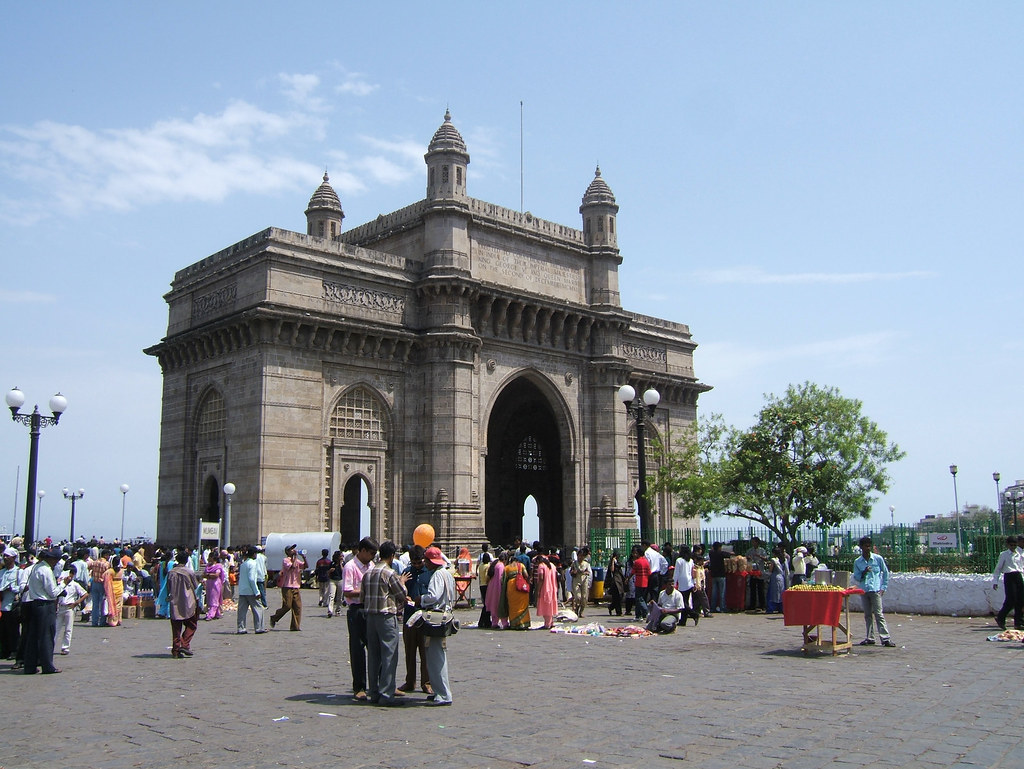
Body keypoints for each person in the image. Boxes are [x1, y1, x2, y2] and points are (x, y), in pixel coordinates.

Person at [361, 540, 410, 706]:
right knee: (389, 656)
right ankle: (386, 695)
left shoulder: (368, 573)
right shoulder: (389, 573)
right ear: (392, 556)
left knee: (373, 656)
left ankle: (374, 693)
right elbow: (402, 594)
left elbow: (362, 597)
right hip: (386, 618)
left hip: (370, 619)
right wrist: (402, 582)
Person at [342, 537, 377, 702]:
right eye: (371, 553)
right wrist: (366, 591)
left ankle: (380, 685)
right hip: (356, 610)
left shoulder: (372, 566)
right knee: (357, 649)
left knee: (376, 647)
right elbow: (347, 591)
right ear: (362, 551)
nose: (373, 557)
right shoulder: (350, 567)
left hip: (371, 609)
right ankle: (360, 687)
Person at [420, 546, 455, 705]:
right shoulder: (448, 574)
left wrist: (420, 599)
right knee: (438, 655)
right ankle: (439, 692)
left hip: (435, 618)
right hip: (445, 617)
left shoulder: (437, 576)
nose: (424, 563)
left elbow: (433, 596)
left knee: (435, 657)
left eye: (426, 560)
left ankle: (443, 694)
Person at [23, 547, 66, 674]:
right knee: (47, 636)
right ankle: (48, 665)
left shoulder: (36, 568)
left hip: (34, 603)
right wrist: (63, 584)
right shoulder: (46, 570)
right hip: (45, 605)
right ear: (53, 559)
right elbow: (52, 593)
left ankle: (29, 666)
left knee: (33, 636)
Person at [399, 545, 432, 695]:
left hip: (425, 617)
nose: (417, 565)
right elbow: (399, 593)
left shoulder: (430, 573)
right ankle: (410, 681)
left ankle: (426, 683)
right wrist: (402, 585)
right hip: (410, 617)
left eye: (420, 562)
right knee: (410, 651)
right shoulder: (407, 573)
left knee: (426, 653)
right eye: (414, 563)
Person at [853, 537, 895, 647]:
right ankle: (870, 637)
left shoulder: (877, 559)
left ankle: (885, 638)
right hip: (864, 590)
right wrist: (864, 572)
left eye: (869, 546)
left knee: (879, 614)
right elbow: (856, 577)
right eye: (865, 546)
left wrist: (883, 587)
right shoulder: (858, 562)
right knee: (867, 615)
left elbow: (885, 573)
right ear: (861, 547)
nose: (867, 548)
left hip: (875, 590)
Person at [167, 551, 200, 658]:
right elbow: (196, 586)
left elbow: (168, 588)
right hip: (187, 602)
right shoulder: (189, 572)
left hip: (174, 602)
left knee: (176, 628)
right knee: (192, 625)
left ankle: (176, 650)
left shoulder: (171, 572)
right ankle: (184, 644)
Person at [269, 544, 307, 631]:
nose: (293, 551)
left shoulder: (296, 560)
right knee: (287, 606)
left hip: (296, 586)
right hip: (287, 586)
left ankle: (295, 626)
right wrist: (294, 557)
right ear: (287, 552)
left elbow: (305, 566)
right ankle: (275, 617)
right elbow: (292, 566)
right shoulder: (286, 560)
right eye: (291, 550)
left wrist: (304, 557)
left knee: (297, 607)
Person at [991, 535, 1023, 630]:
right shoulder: (1004, 555)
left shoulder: (1019, 554)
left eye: (1015, 545)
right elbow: (998, 569)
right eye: (1011, 545)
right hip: (1009, 576)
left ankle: (1018, 621)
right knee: (1011, 599)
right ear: (1007, 545)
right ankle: (1001, 617)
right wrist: (995, 581)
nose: (1013, 547)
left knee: (1020, 600)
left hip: (1019, 576)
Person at [55, 567, 88, 655]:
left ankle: (65, 647)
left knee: (68, 629)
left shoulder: (75, 585)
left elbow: (85, 594)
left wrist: (76, 603)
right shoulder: (60, 584)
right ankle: (52, 646)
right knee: (56, 628)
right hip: (61, 607)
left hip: (70, 608)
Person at [236, 546, 267, 634]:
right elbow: (252, 579)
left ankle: (241, 628)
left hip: (243, 590)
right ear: (254, 554)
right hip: (251, 590)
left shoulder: (243, 564)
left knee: (242, 611)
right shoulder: (253, 563)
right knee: (258, 609)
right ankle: (259, 627)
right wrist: (256, 591)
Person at [0, 547, 23, 660]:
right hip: (2, 605)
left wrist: (12, 588)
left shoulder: (19, 572)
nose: (5, 558)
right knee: (3, 630)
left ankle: (15, 650)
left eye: (7, 556)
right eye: (4, 556)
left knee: (13, 630)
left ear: (13, 558)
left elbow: (22, 587)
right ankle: (5, 650)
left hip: (12, 605)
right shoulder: (2, 572)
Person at [500, 551, 531, 629]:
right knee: (522, 606)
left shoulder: (507, 568)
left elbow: (502, 580)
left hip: (511, 589)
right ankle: (524, 623)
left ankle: (514, 624)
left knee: (513, 606)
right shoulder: (521, 566)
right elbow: (526, 575)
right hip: (521, 588)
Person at [484, 549, 507, 629]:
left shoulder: (495, 564)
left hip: (492, 587)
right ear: (504, 560)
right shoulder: (501, 566)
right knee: (501, 605)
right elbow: (501, 578)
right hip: (498, 588)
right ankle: (504, 623)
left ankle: (494, 622)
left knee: (494, 605)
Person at [535, 551, 558, 629]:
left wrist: (538, 589)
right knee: (550, 604)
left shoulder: (541, 566)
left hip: (545, 588)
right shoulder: (552, 565)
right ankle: (551, 622)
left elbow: (541, 578)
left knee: (545, 605)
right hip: (552, 587)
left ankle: (547, 623)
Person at [87, 548, 110, 626]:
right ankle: (102, 621)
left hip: (94, 583)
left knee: (95, 604)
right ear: (105, 555)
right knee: (103, 603)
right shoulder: (106, 564)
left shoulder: (94, 562)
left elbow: (89, 567)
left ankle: (94, 621)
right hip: (102, 584)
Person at [746, 537, 768, 611]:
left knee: (760, 588)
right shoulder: (750, 550)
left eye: (754, 542)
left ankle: (762, 605)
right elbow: (746, 558)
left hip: (760, 570)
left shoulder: (762, 550)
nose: (753, 543)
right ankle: (752, 604)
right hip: (752, 570)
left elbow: (766, 558)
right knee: (752, 589)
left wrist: (760, 556)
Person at [204, 551, 227, 620]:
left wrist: (208, 575)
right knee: (209, 597)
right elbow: (203, 574)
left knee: (214, 598)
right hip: (209, 584)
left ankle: (211, 614)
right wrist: (209, 575)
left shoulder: (218, 566)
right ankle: (217, 613)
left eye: (209, 557)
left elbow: (216, 575)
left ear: (213, 558)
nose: (208, 559)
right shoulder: (208, 566)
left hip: (215, 584)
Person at [673, 545, 696, 615]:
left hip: (682, 583)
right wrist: (694, 582)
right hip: (690, 582)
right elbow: (693, 572)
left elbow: (676, 573)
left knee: (683, 602)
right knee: (686, 600)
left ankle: (693, 614)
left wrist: (673, 583)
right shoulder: (691, 561)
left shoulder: (679, 560)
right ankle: (683, 619)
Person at [765, 545, 789, 614]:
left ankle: (771, 608)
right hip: (782, 577)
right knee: (781, 593)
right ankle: (781, 608)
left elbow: (770, 570)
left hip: (775, 577)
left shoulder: (774, 560)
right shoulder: (784, 559)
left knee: (773, 593)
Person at [569, 546, 592, 618]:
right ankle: (576, 610)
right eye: (579, 556)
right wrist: (573, 572)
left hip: (584, 580)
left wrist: (586, 573)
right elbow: (571, 571)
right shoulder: (574, 563)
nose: (580, 558)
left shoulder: (586, 564)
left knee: (584, 597)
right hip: (576, 580)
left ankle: (581, 611)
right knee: (578, 597)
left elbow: (589, 572)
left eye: (582, 556)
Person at [630, 544, 650, 620]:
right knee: (641, 599)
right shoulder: (646, 562)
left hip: (639, 582)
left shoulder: (637, 562)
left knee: (639, 599)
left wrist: (628, 579)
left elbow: (632, 572)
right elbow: (649, 572)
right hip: (646, 582)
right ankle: (638, 615)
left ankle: (646, 611)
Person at [104, 559, 125, 626]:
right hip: (119, 588)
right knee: (119, 606)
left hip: (112, 589)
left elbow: (103, 576)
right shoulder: (122, 571)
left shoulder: (110, 571)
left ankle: (112, 621)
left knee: (112, 605)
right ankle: (119, 620)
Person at [605, 549, 626, 616]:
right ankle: (618, 612)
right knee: (616, 596)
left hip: (619, 580)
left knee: (620, 596)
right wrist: (613, 561)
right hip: (614, 581)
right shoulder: (612, 563)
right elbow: (612, 570)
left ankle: (611, 607)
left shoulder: (619, 562)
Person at [325, 550, 345, 617]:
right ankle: (330, 611)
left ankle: (338, 610)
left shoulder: (343, 563)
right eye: (341, 556)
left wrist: (341, 564)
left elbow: (344, 572)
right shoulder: (332, 563)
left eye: (342, 556)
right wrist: (330, 571)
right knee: (331, 595)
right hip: (332, 580)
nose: (342, 557)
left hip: (340, 580)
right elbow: (327, 573)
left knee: (339, 597)